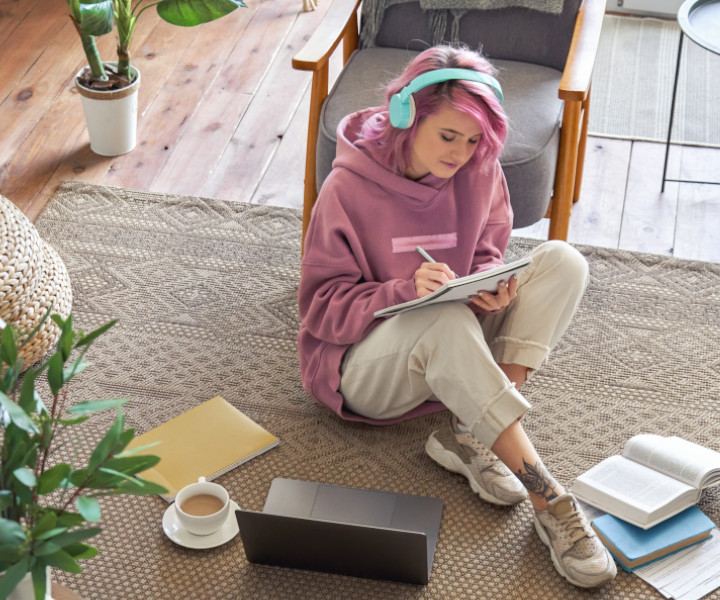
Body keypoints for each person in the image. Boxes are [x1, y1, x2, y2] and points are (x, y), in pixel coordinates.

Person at [297, 45, 616, 589]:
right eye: (448, 136)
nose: (461, 153)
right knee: (440, 322)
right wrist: (400, 290)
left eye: (473, 141)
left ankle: (471, 429)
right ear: (407, 116)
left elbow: (490, 250)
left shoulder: (479, 168)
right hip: (365, 368)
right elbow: (320, 309)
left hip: (454, 330)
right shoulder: (346, 189)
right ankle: (549, 497)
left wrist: (490, 287)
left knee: (563, 261)